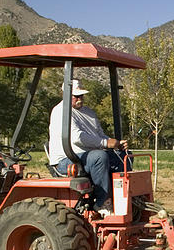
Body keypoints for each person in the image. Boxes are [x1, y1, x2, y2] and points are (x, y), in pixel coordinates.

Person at [48, 79, 129, 213]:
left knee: (124, 156)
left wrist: (115, 143)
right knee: (99, 157)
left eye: (81, 95)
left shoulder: (89, 113)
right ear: (66, 95)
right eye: (76, 96)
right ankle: (102, 202)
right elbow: (77, 138)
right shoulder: (61, 112)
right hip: (68, 159)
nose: (80, 99)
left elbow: (99, 135)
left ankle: (124, 198)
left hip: (88, 156)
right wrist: (105, 143)